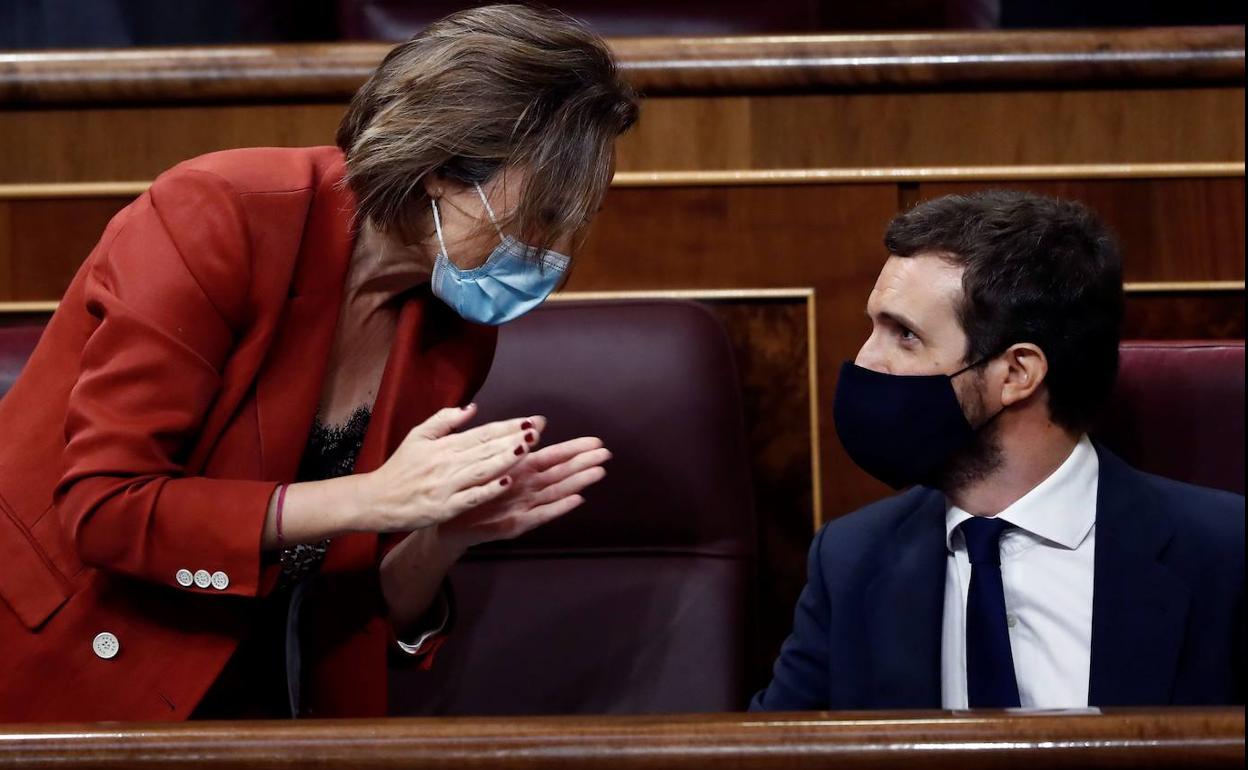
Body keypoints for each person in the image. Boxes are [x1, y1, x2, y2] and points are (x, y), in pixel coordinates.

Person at [0, 4, 638, 721]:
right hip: (70, 659)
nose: (553, 251)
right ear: (442, 172)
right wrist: (369, 497)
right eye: (544, 214)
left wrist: (447, 533)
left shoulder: (455, 326)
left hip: (262, 692)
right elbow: (105, 510)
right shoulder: (217, 215)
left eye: (571, 222)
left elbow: (350, 607)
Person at [752, 190, 1244, 711]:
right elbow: (777, 748)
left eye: (905, 336)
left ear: (1016, 373)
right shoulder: (851, 560)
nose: (866, 361)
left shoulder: (1225, 556)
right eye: (873, 328)